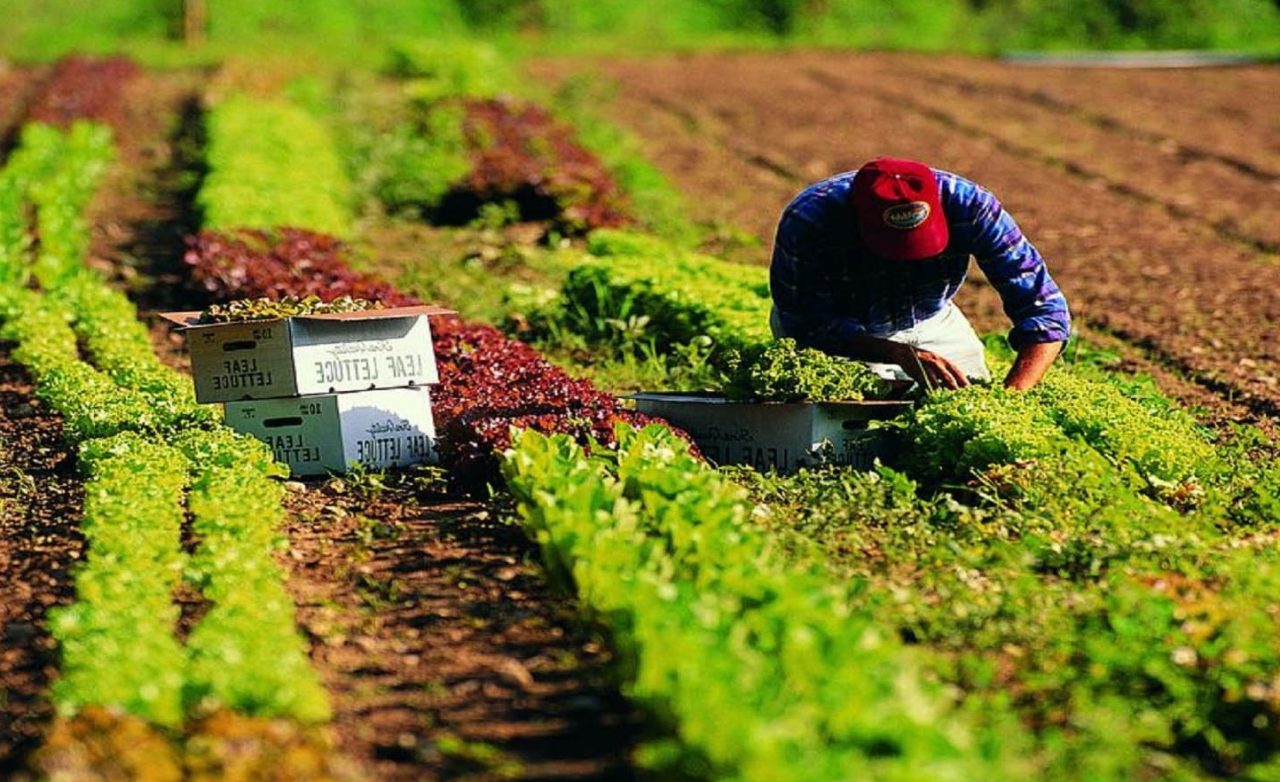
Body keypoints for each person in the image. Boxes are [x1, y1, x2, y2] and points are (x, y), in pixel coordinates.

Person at [769, 157, 1071, 391]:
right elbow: (807, 322)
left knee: (966, 395)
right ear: (856, 217)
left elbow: (1044, 308)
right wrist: (897, 354)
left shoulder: (971, 208)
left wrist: (1013, 399)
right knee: (852, 426)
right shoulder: (810, 221)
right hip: (842, 333)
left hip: (932, 320)